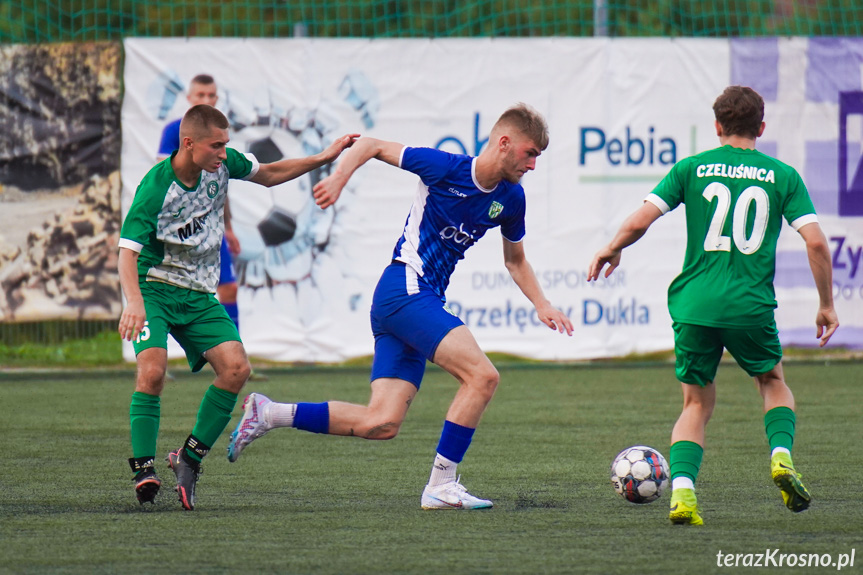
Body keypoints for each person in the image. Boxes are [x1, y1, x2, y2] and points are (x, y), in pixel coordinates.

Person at [226, 103, 574, 510]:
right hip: (404, 289)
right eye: (530, 153)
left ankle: (268, 414)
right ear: (504, 143)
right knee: (482, 376)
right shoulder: (445, 168)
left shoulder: (512, 199)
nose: (533, 165)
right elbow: (371, 145)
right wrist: (338, 178)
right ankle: (441, 485)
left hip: (410, 302)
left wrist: (542, 303)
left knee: (381, 422)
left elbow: (515, 260)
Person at [588, 86, 839, 526]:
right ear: (761, 128)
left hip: (694, 305)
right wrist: (826, 305)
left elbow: (641, 220)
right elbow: (816, 242)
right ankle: (781, 456)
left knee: (696, 404)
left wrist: (612, 247)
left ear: (718, 126)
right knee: (772, 379)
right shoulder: (783, 176)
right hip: (749, 305)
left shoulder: (691, 168)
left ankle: (683, 492)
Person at [119, 103, 357, 510]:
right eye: (216, 145)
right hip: (153, 287)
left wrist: (322, 157)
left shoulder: (223, 164)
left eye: (226, 145)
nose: (222, 152)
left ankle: (189, 459)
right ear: (189, 143)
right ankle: (143, 468)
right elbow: (127, 252)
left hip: (196, 293)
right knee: (154, 370)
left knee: (236, 369)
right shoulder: (156, 188)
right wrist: (135, 303)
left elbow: (270, 174)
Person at [156, 74, 264, 379]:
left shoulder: (218, 139)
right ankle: (154, 361)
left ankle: (236, 360)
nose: (206, 99)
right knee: (162, 287)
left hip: (211, 229)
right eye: (200, 93)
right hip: (176, 233)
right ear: (190, 98)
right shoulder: (173, 133)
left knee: (228, 287)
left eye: (212, 95)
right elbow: (164, 179)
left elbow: (218, 187)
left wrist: (228, 228)